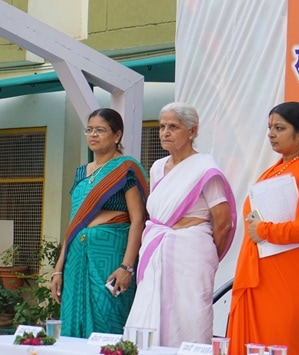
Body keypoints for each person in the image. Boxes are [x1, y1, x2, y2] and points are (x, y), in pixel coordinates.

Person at [227, 101, 299, 355]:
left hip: (291, 283)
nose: (271, 134)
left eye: (279, 128)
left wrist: (265, 231)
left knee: (283, 345)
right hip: (261, 279)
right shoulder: (273, 171)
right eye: (269, 128)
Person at [124, 102, 237, 347]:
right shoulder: (157, 168)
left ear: (192, 131)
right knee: (149, 312)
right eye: (162, 126)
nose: (165, 132)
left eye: (173, 127)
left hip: (192, 252)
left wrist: (205, 253)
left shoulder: (206, 168)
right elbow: (158, 214)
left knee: (190, 316)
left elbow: (223, 222)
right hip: (156, 249)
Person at [50, 108, 149, 338]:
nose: (93, 135)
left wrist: (127, 267)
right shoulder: (81, 172)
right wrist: (57, 270)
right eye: (90, 130)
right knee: (72, 317)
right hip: (75, 258)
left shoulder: (126, 169)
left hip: (111, 254)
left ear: (117, 135)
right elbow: (74, 222)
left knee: (109, 316)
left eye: (100, 130)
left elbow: (138, 220)